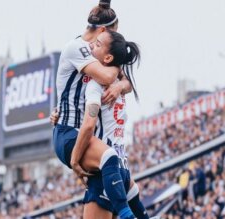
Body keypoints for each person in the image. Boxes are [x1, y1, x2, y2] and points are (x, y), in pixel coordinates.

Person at [53, 1, 135, 218]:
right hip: (72, 132)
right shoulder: (79, 49)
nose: (115, 40)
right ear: (103, 31)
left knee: (124, 178)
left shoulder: (104, 56)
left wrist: (118, 86)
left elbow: (127, 84)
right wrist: (119, 61)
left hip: (93, 137)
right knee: (109, 158)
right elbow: (109, 75)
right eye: (113, 35)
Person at [80, 30, 149, 219]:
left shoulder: (96, 85)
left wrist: (75, 159)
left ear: (108, 57)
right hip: (123, 172)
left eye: (98, 44)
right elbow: (127, 83)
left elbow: (88, 123)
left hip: (106, 174)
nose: (92, 45)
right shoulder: (120, 81)